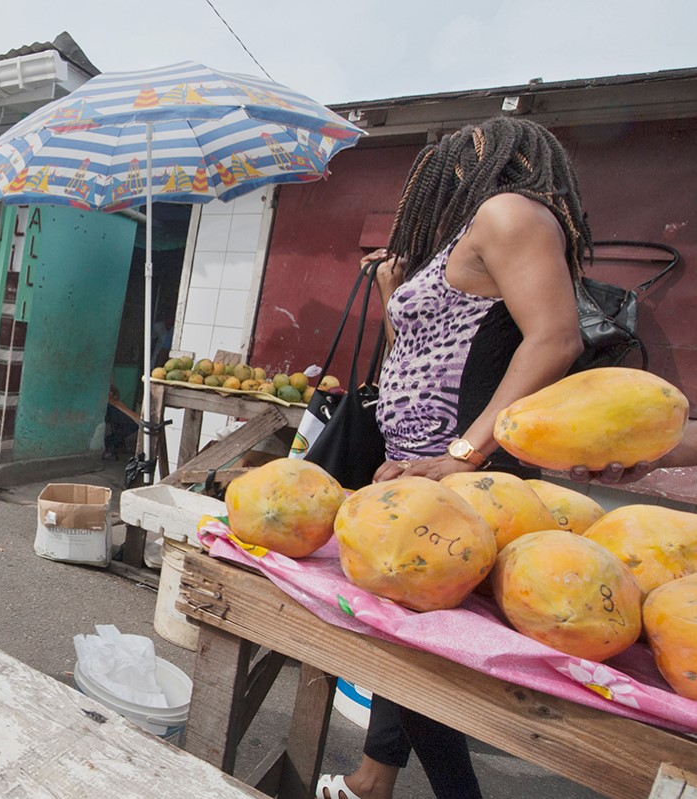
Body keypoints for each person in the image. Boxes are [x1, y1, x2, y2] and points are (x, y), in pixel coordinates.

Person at [318, 117, 589, 799]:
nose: (442, 172)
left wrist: (464, 453)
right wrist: (392, 296)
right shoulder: (469, 234)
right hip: (423, 470)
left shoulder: (509, 214)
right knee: (410, 640)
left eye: (451, 162)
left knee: (423, 660)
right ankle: (374, 776)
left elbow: (554, 339)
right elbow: (418, 352)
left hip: (460, 479)